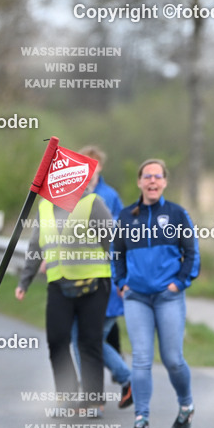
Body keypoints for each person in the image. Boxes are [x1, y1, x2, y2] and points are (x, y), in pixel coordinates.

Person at [112, 159, 199, 428]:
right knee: (140, 359)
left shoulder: (177, 214)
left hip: (168, 297)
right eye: (147, 176)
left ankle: (186, 404)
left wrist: (179, 284)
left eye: (157, 177)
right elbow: (117, 254)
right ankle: (141, 420)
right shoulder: (126, 216)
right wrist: (121, 283)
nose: (152, 181)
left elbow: (192, 254)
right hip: (136, 297)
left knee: (172, 359)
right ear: (139, 182)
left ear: (164, 182)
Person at [16, 172, 113, 415]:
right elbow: (36, 245)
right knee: (57, 340)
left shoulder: (93, 203)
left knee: (88, 342)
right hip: (58, 283)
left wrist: (122, 279)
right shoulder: (45, 206)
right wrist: (24, 281)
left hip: (94, 283)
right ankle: (67, 398)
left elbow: (112, 241)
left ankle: (94, 402)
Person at [70, 146, 132, 409]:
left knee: (86, 340)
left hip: (104, 282)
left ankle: (121, 381)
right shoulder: (71, 195)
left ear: (101, 167)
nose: (89, 170)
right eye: (84, 164)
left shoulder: (109, 197)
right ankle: (98, 392)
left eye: (94, 165)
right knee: (85, 339)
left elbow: (116, 239)